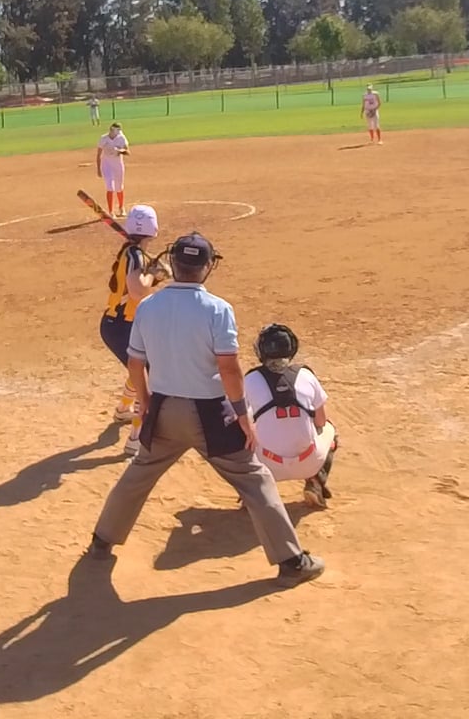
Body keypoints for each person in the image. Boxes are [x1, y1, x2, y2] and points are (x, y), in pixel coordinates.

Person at [86, 233, 326, 587]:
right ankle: (291, 561)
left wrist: (146, 403)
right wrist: (242, 416)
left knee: (139, 473)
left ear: (174, 263)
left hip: (164, 408)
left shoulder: (148, 307)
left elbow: (136, 363)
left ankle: (101, 541)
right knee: (254, 479)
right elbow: (228, 368)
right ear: (208, 266)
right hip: (210, 414)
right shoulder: (217, 309)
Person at [243, 324, 339, 508]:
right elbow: (320, 421)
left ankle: (253, 491)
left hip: (265, 466)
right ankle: (315, 482)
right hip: (308, 463)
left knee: (243, 433)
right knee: (330, 429)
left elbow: (237, 420)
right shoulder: (306, 375)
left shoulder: (251, 379)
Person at [100, 204, 162, 454]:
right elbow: (137, 291)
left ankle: (123, 410)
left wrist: (154, 274)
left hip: (121, 324)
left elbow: (137, 284)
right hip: (121, 327)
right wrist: (154, 274)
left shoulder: (133, 252)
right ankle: (137, 437)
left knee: (138, 367)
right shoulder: (135, 255)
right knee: (147, 374)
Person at [94, 122, 129, 215]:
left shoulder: (121, 138)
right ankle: (111, 211)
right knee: (110, 187)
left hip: (118, 165)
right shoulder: (103, 138)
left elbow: (127, 151)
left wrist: (120, 151)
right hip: (107, 165)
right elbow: (98, 155)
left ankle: (121, 208)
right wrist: (98, 169)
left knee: (119, 187)